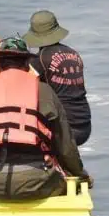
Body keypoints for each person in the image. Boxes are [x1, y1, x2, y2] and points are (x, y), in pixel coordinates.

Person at [0, 36, 90, 200]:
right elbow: (65, 145)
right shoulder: (44, 91)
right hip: (37, 183)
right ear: (26, 65)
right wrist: (80, 174)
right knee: (68, 183)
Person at [24, 11, 92, 146]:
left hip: (63, 129)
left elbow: (26, 91)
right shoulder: (73, 54)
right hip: (84, 124)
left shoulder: (39, 60)